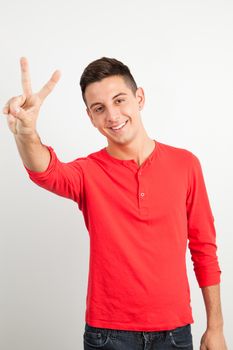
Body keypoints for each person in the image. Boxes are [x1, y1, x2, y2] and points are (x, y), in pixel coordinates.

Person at [2, 57, 228, 350]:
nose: (112, 115)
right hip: (108, 336)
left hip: (174, 333)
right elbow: (47, 171)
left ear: (140, 98)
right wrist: (27, 134)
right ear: (91, 118)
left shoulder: (185, 164)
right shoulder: (88, 172)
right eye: (99, 109)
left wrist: (216, 327)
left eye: (119, 100)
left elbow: (204, 248)